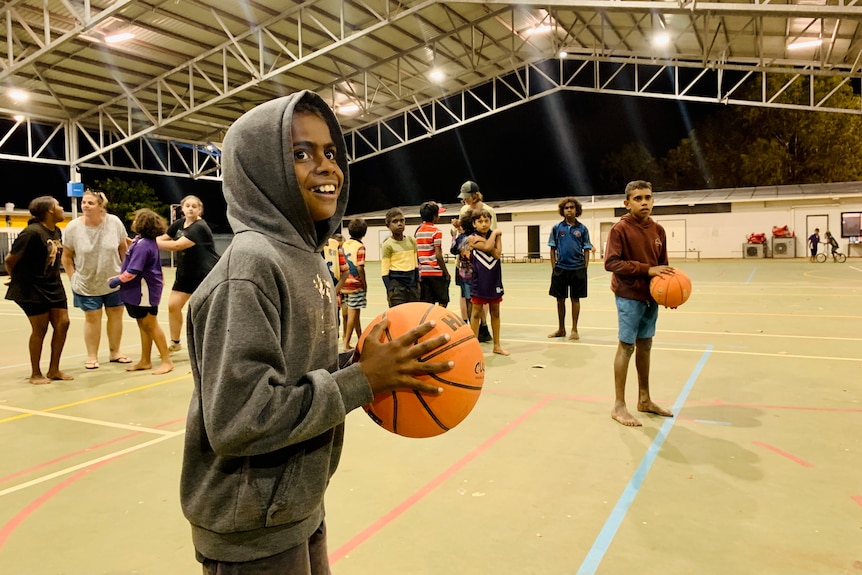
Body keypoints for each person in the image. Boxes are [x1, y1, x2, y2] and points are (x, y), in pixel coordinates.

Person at [179, 91, 453, 574]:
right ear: (261, 169)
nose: (326, 166)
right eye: (301, 154)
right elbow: (240, 420)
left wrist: (365, 362)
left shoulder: (304, 256)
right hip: (252, 528)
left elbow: (299, 370)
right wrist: (362, 380)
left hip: (296, 505)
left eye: (330, 152)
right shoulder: (251, 266)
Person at [604, 180, 674, 427]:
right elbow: (611, 263)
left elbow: (662, 269)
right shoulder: (620, 229)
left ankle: (644, 399)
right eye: (638, 198)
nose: (644, 202)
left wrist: (667, 294)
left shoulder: (659, 231)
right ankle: (619, 405)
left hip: (649, 298)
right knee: (627, 346)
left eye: (648, 197)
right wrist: (647, 270)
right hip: (628, 295)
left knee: (646, 345)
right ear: (627, 203)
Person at [4, 196, 74, 385]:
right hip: (32, 288)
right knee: (40, 328)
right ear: (50, 210)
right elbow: (10, 260)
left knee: (63, 323)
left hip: (53, 285)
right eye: (58, 205)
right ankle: (36, 373)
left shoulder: (56, 231)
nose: (61, 208)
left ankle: (54, 369)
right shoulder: (31, 233)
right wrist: (15, 278)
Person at [62, 189, 132, 369]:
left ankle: (115, 352)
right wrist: (73, 278)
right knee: (92, 317)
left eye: (90, 203)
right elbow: (67, 256)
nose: (85, 205)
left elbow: (123, 249)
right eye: (84, 202)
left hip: (114, 281)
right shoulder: (73, 227)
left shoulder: (114, 222)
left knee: (116, 315)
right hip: (87, 282)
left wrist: (126, 275)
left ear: (101, 206)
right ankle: (91, 356)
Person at [109, 209, 174, 375]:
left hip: (144, 291)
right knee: (143, 325)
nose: (133, 222)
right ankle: (145, 360)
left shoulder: (144, 245)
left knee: (150, 324)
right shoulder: (140, 241)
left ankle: (166, 361)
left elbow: (133, 271)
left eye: (136, 219)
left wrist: (116, 280)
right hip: (137, 290)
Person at [157, 195, 220, 353]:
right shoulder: (179, 224)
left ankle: (211, 345)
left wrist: (149, 243)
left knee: (204, 311)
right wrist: (142, 240)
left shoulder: (200, 227)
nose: (190, 208)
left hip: (204, 274)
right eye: (187, 206)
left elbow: (177, 245)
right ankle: (175, 342)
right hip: (185, 274)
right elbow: (165, 237)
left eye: (194, 206)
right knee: (173, 305)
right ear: (182, 208)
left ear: (200, 209)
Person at [547, 197, 593, 341]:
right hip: (560, 269)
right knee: (560, 300)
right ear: (562, 210)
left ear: (576, 210)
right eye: (566, 208)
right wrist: (554, 267)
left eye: (572, 207)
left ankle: (574, 328)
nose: (569, 210)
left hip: (578, 269)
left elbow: (587, 249)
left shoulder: (582, 229)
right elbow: (552, 249)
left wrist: (584, 267)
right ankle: (561, 329)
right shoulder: (557, 228)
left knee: (575, 299)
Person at [458, 180, 495, 342]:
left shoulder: (488, 211)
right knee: (466, 294)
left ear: (475, 195)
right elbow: (461, 236)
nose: (465, 200)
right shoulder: (464, 210)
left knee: (482, 295)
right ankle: (466, 325)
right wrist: (460, 257)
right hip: (466, 259)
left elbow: (492, 234)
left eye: (467, 197)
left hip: (483, 259)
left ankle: (482, 327)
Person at [468, 209, 509, 356]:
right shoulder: (472, 238)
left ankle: (497, 345)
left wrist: (495, 236)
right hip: (479, 281)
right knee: (476, 313)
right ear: (474, 224)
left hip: (494, 279)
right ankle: (472, 347)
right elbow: (486, 247)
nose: (484, 224)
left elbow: (497, 254)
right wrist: (496, 233)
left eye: (486, 221)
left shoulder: (494, 235)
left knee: (496, 312)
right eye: (480, 221)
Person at [381, 207, 420, 307]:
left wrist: (417, 283)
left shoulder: (412, 241)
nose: (399, 223)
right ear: (388, 226)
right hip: (397, 287)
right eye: (395, 221)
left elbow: (415, 264)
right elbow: (385, 271)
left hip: (412, 285)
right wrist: (390, 289)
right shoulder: (387, 245)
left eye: (402, 220)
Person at [416, 201, 450, 307]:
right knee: (443, 300)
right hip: (436, 272)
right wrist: (446, 272)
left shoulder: (418, 231)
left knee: (427, 303)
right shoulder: (436, 231)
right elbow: (438, 255)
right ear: (435, 216)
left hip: (423, 273)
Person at [341, 219, 367, 350]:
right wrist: (364, 283)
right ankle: (346, 344)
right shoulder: (360, 247)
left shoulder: (345, 244)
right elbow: (360, 267)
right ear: (364, 232)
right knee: (353, 314)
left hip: (343, 284)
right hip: (355, 285)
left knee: (351, 314)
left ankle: (359, 336)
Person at [450, 217, 472, 323]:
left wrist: (454, 237)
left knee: (466, 298)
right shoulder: (475, 237)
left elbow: (453, 250)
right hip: (477, 273)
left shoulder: (461, 238)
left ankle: (467, 321)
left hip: (465, 275)